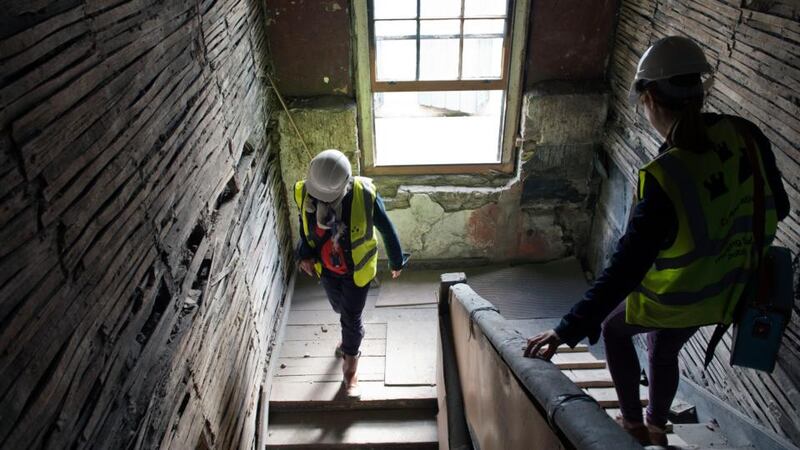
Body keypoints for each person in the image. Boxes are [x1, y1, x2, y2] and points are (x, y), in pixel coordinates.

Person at [523, 36, 789, 445]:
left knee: (614, 331)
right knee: (663, 350)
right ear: (700, 92)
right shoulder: (745, 135)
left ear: (647, 98)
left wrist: (564, 330)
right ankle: (656, 424)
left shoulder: (668, 177)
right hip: (728, 290)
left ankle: (633, 424)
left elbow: (624, 271)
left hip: (678, 295)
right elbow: (780, 206)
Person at [295, 149, 408, 398]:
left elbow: (387, 230)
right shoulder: (305, 192)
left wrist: (397, 261)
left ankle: (350, 366)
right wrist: (303, 255)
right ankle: (351, 337)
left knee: (350, 316)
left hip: (356, 271)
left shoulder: (364, 195)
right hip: (327, 269)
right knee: (339, 308)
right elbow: (304, 227)